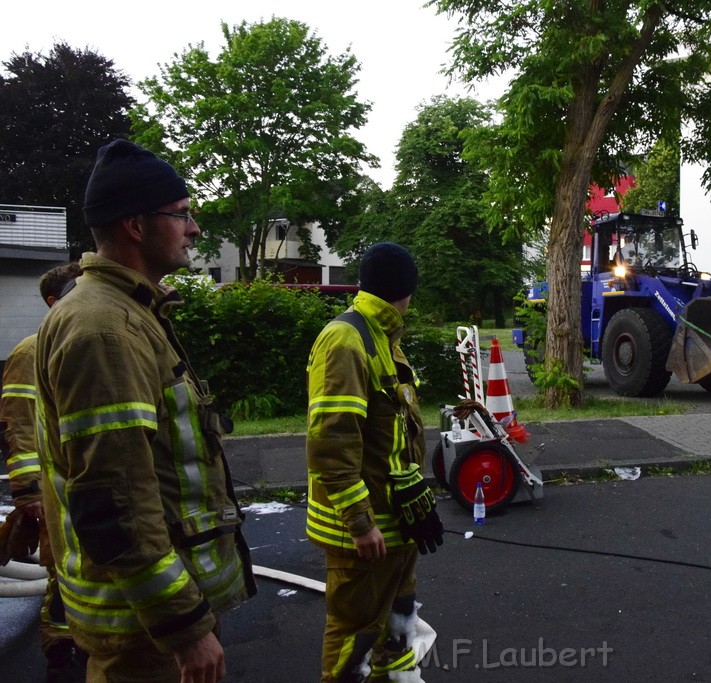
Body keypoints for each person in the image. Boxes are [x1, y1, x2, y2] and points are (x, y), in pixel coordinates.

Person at [33, 138, 256, 682]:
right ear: (135, 225)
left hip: (145, 623)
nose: (195, 228)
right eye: (181, 215)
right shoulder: (104, 328)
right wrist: (184, 626)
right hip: (143, 636)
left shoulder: (125, 311)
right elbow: (115, 502)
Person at [306, 242, 444, 682]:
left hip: (393, 524)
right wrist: (360, 522)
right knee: (355, 633)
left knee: (398, 621)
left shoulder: (382, 336)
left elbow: (392, 434)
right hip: (364, 532)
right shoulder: (346, 340)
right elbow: (332, 440)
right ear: (405, 289)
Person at [1, 261, 86, 681]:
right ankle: (61, 649)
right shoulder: (31, 351)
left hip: (79, 484)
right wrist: (28, 492)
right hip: (54, 489)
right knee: (62, 568)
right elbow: (17, 423)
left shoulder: (77, 342)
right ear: (53, 302)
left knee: (81, 566)